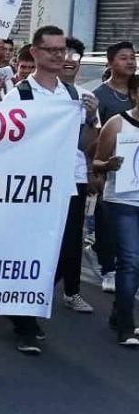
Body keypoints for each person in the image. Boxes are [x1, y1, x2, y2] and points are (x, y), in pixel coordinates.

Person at [4, 25, 99, 330]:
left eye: (63, 50)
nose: (60, 56)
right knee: (29, 251)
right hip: (30, 188)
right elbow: (5, 144)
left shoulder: (75, 95)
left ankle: (25, 310)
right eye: (53, 50)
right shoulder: (19, 95)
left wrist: (91, 121)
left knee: (65, 253)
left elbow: (83, 144)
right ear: (35, 52)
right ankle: (24, 320)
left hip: (67, 184)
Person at [92, 75, 139, 347]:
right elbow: (97, 160)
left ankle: (117, 312)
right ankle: (125, 324)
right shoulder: (117, 123)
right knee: (130, 261)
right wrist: (107, 165)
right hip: (122, 201)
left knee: (135, 264)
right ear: (133, 93)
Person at [91, 41, 137, 292]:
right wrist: (98, 170)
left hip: (136, 174)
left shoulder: (137, 90)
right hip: (111, 172)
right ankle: (108, 268)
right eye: (123, 58)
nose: (130, 62)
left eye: (132, 57)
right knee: (108, 224)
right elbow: (95, 139)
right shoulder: (100, 96)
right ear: (110, 63)